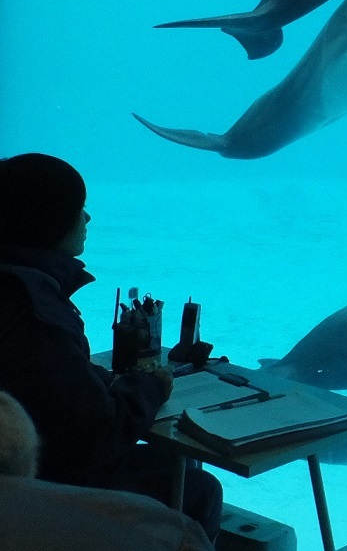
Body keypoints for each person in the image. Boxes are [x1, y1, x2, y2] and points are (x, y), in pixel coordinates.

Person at [0, 153, 222, 541]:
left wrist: (96, 379)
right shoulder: (36, 310)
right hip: (36, 482)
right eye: (78, 208)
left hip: (19, 466)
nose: (87, 218)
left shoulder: (13, 284)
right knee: (197, 486)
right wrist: (152, 386)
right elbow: (96, 434)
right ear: (50, 220)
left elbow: (42, 379)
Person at [0, 389, 214, 551]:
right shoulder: (166, 531)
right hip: (68, 473)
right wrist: (150, 387)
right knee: (203, 487)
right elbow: (103, 420)